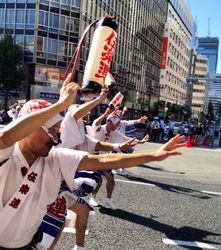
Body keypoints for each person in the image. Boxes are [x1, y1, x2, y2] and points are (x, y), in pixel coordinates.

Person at [0, 73, 185, 249]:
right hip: (62, 185)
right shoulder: (6, 154)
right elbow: (5, 138)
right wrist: (61, 104)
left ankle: (78, 245)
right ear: (28, 127)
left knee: (69, 216)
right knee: (64, 216)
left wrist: (153, 155)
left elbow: (102, 159)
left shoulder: (55, 157)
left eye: (58, 129)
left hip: (27, 241)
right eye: (51, 129)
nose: (56, 136)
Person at [41, 94, 138, 250]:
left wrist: (119, 147)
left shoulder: (81, 134)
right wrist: (99, 99)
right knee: (53, 221)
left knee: (82, 211)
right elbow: (75, 113)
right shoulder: (67, 126)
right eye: (82, 111)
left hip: (66, 181)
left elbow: (98, 144)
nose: (86, 114)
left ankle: (79, 247)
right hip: (54, 181)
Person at [87, 108, 149, 210]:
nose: (117, 126)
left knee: (111, 179)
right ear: (110, 122)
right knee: (99, 180)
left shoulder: (114, 133)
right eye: (116, 124)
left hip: (105, 158)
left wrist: (140, 141)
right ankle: (92, 198)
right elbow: (96, 122)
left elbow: (126, 139)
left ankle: (108, 199)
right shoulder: (99, 128)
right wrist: (105, 113)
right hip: (93, 157)